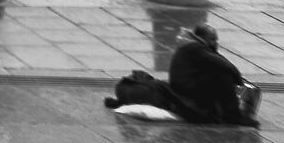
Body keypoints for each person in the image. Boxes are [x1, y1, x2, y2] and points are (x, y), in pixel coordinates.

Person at [109, 24, 261, 125]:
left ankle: (230, 113)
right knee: (223, 75)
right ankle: (233, 116)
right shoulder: (195, 48)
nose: (215, 43)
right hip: (185, 91)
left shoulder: (193, 47)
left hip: (186, 87)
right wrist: (239, 81)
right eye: (213, 39)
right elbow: (226, 65)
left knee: (219, 74)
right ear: (203, 38)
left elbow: (218, 62)